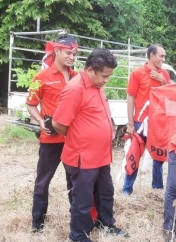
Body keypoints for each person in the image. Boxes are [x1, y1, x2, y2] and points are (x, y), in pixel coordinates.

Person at [52, 48, 129, 242]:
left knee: (105, 193)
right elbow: (58, 124)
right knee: (83, 199)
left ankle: (106, 224)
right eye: (105, 76)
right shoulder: (75, 89)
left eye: (109, 76)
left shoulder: (97, 85)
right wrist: (80, 137)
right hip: (82, 157)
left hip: (102, 155)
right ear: (91, 70)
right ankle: (79, 236)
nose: (107, 80)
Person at [26, 35, 78, 232]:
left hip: (73, 139)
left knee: (75, 180)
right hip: (50, 139)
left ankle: (77, 218)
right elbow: (31, 104)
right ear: (56, 51)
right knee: (43, 181)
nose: (72, 57)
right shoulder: (41, 77)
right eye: (68, 52)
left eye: (74, 53)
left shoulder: (77, 77)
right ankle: (37, 224)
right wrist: (40, 121)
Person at [123, 44, 171, 195]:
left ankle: (157, 187)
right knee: (135, 153)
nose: (163, 59)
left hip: (159, 122)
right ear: (151, 55)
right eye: (161, 56)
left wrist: (163, 80)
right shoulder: (138, 73)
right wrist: (130, 123)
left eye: (164, 56)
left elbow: (170, 94)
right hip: (140, 121)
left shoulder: (164, 74)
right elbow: (130, 98)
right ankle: (127, 188)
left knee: (159, 154)